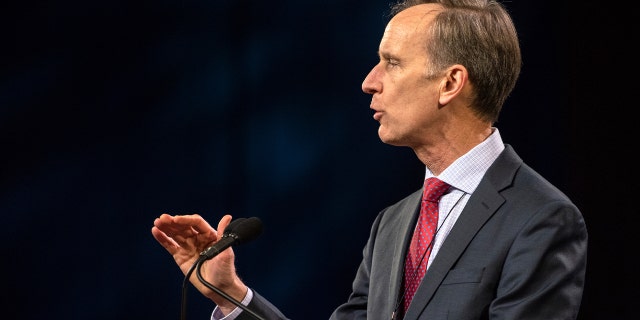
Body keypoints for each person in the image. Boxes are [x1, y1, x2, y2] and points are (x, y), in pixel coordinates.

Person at [151, 0, 588, 319]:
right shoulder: (392, 225)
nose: (368, 82)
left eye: (391, 62)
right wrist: (230, 295)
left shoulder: (540, 219)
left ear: (450, 83)